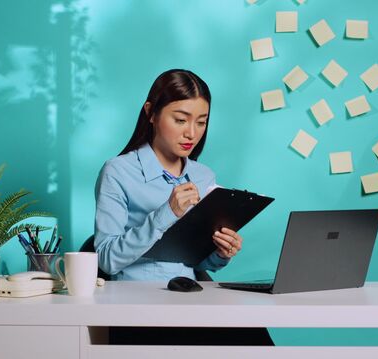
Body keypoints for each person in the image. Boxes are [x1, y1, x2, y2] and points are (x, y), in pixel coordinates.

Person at [94, 69, 273, 345]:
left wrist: (221, 251)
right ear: (151, 113)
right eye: (180, 120)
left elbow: (197, 260)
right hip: (135, 306)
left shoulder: (204, 176)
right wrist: (167, 213)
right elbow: (105, 258)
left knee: (256, 335)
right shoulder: (118, 171)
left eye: (201, 122)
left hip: (191, 300)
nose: (192, 133)